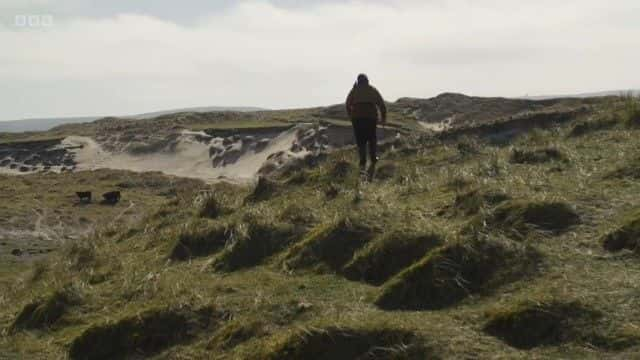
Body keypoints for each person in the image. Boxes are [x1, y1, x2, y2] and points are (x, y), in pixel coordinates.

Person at [345, 74, 387, 180]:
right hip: (370, 117)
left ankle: (362, 160)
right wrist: (383, 117)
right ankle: (373, 158)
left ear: (358, 81)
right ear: (367, 80)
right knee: (372, 138)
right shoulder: (372, 90)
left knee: (361, 140)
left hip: (357, 118)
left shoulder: (354, 90)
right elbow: (381, 104)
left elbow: (347, 104)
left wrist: (351, 115)